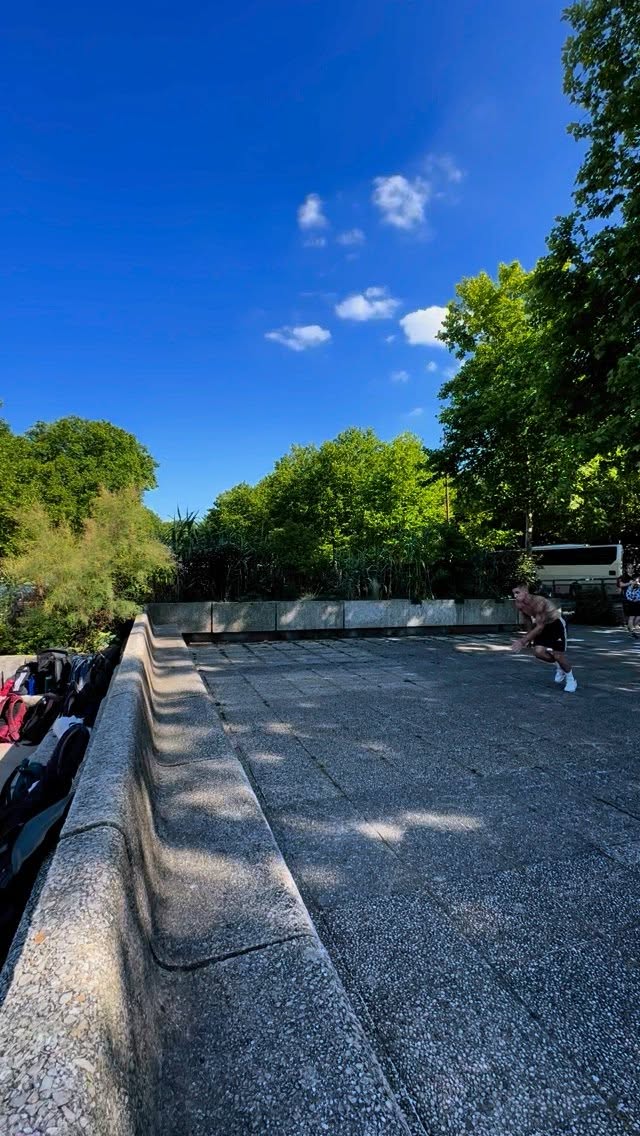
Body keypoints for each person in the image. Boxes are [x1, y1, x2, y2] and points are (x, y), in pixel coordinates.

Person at [511, 583, 577, 692]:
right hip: (542, 626)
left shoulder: (539, 602)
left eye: (517, 592)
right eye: (514, 593)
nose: (515, 596)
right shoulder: (519, 603)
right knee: (538, 652)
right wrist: (529, 635)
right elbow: (527, 618)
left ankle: (571, 679)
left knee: (558, 656)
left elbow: (540, 627)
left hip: (556, 624)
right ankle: (559, 666)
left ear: (525, 592)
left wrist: (522, 641)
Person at [624, 570, 640, 636]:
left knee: (638, 616)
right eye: (636, 580)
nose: (636, 581)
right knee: (632, 616)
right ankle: (631, 630)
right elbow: (628, 595)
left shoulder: (638, 586)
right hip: (632, 603)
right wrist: (632, 600)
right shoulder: (630, 587)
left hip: (638, 602)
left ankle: (634, 626)